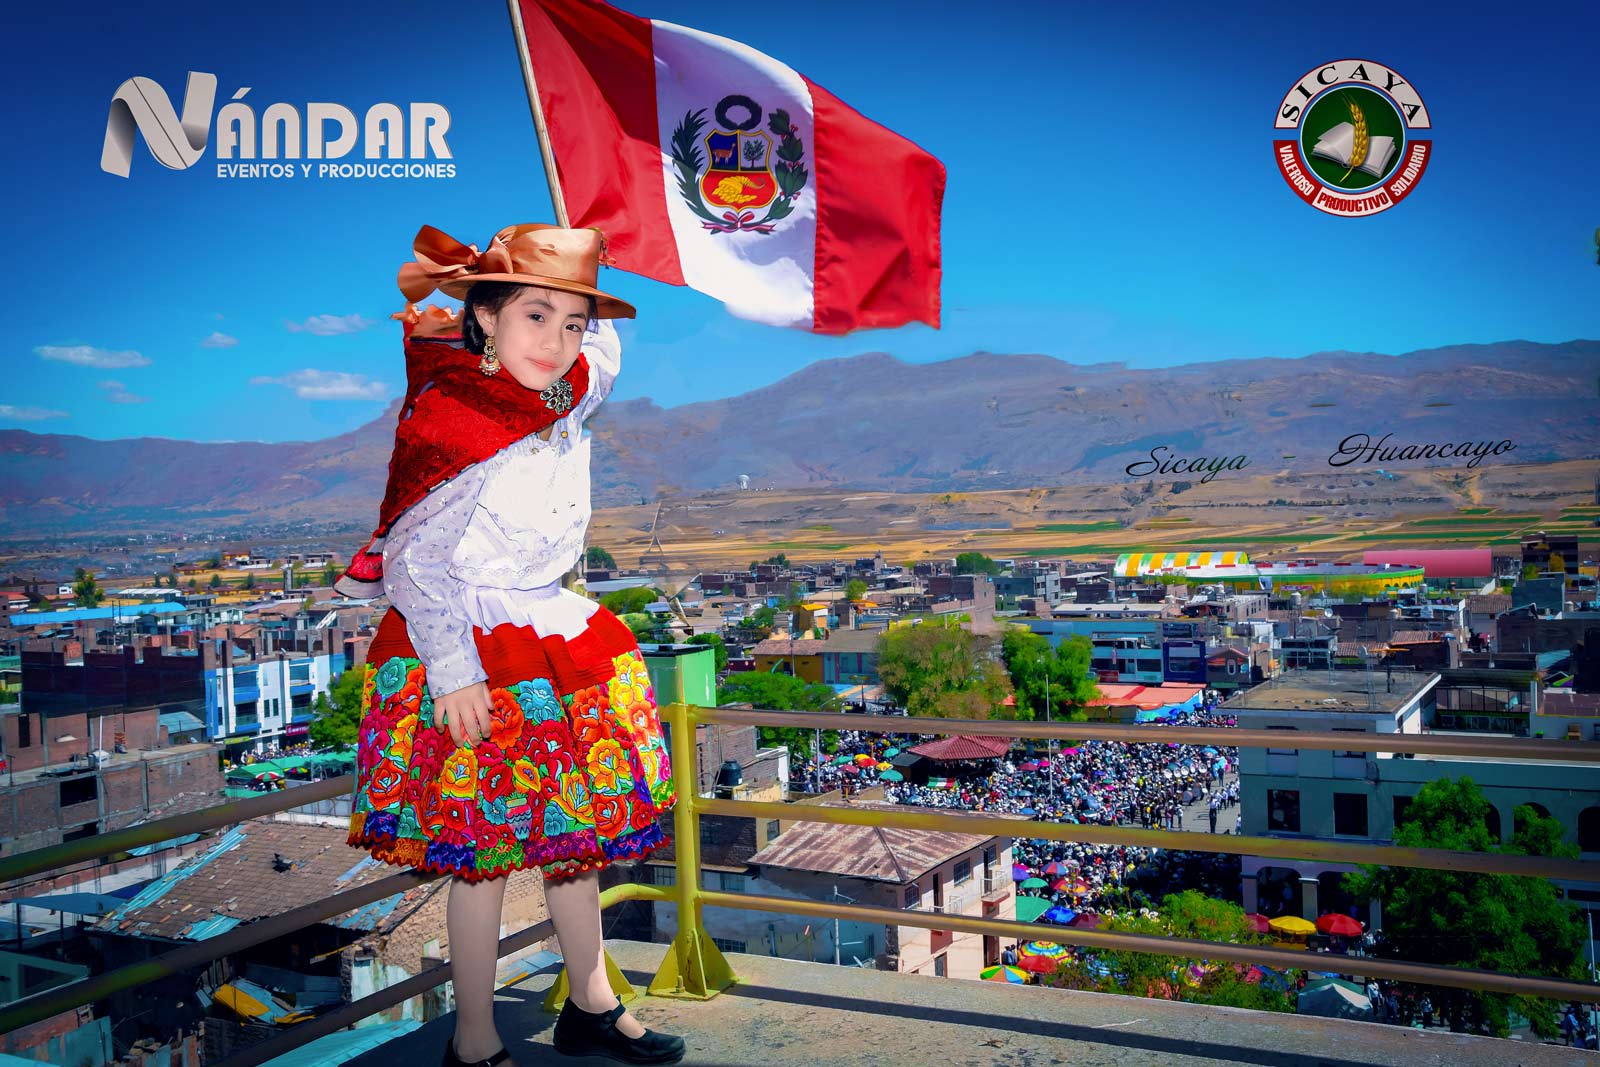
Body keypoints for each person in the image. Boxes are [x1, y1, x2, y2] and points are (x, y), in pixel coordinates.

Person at [339, 224, 685, 1067]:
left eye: (572, 323)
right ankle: (474, 1036)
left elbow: (604, 355)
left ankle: (592, 1004)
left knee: (573, 842)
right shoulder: (459, 420)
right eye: (537, 316)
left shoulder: (562, 392)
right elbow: (416, 564)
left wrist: (592, 250)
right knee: (484, 856)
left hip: (553, 637)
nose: (559, 340)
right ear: (484, 317)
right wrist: (454, 676)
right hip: (475, 655)